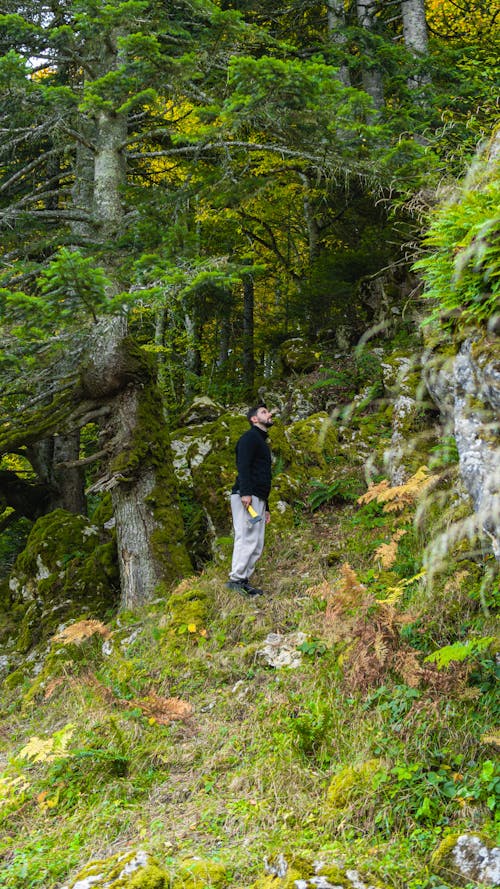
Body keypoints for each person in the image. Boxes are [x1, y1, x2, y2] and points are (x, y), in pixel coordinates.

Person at [227, 403, 273, 596]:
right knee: (246, 537)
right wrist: (245, 492)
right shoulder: (249, 438)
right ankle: (235, 581)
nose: (269, 414)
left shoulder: (261, 441)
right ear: (254, 419)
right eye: (264, 412)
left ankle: (243, 581)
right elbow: (243, 466)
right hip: (246, 495)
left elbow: (262, 474)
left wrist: (266, 507)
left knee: (256, 542)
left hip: (257, 498)